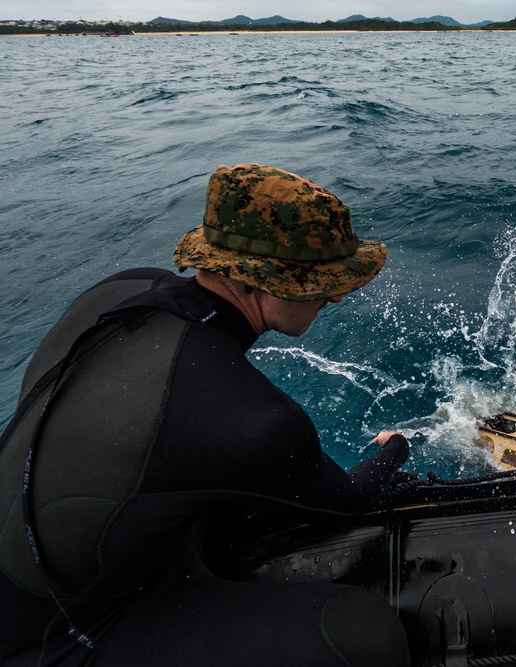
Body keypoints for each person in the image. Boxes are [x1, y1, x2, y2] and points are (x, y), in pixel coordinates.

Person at [0, 164, 411, 666]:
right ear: (264, 282)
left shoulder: (117, 294)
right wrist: (395, 448)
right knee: (363, 634)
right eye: (321, 281)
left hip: (43, 558)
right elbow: (346, 501)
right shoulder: (251, 421)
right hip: (59, 636)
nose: (337, 294)